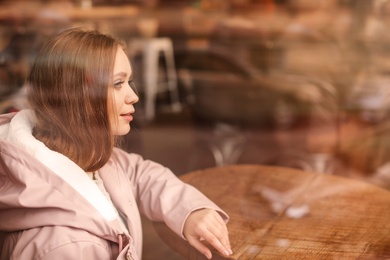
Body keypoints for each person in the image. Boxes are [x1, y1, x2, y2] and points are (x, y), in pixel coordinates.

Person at [0, 28, 232, 260]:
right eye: (118, 83)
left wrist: (190, 210)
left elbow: (142, 174)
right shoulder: (64, 248)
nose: (133, 96)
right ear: (77, 97)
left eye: (129, 81)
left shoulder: (85, 158)